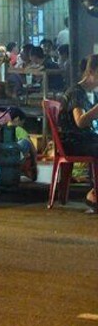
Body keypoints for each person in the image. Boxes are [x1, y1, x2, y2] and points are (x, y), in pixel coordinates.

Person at [58, 54, 98, 212]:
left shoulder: (92, 94)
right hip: (73, 141)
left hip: (86, 139)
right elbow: (80, 121)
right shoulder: (76, 92)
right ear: (92, 71)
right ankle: (94, 194)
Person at [7, 108, 37, 182]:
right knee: (26, 143)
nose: (22, 125)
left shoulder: (3, 128)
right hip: (12, 162)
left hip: (1, 161)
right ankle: (17, 172)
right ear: (17, 119)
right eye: (22, 123)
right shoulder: (19, 130)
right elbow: (33, 150)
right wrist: (34, 166)